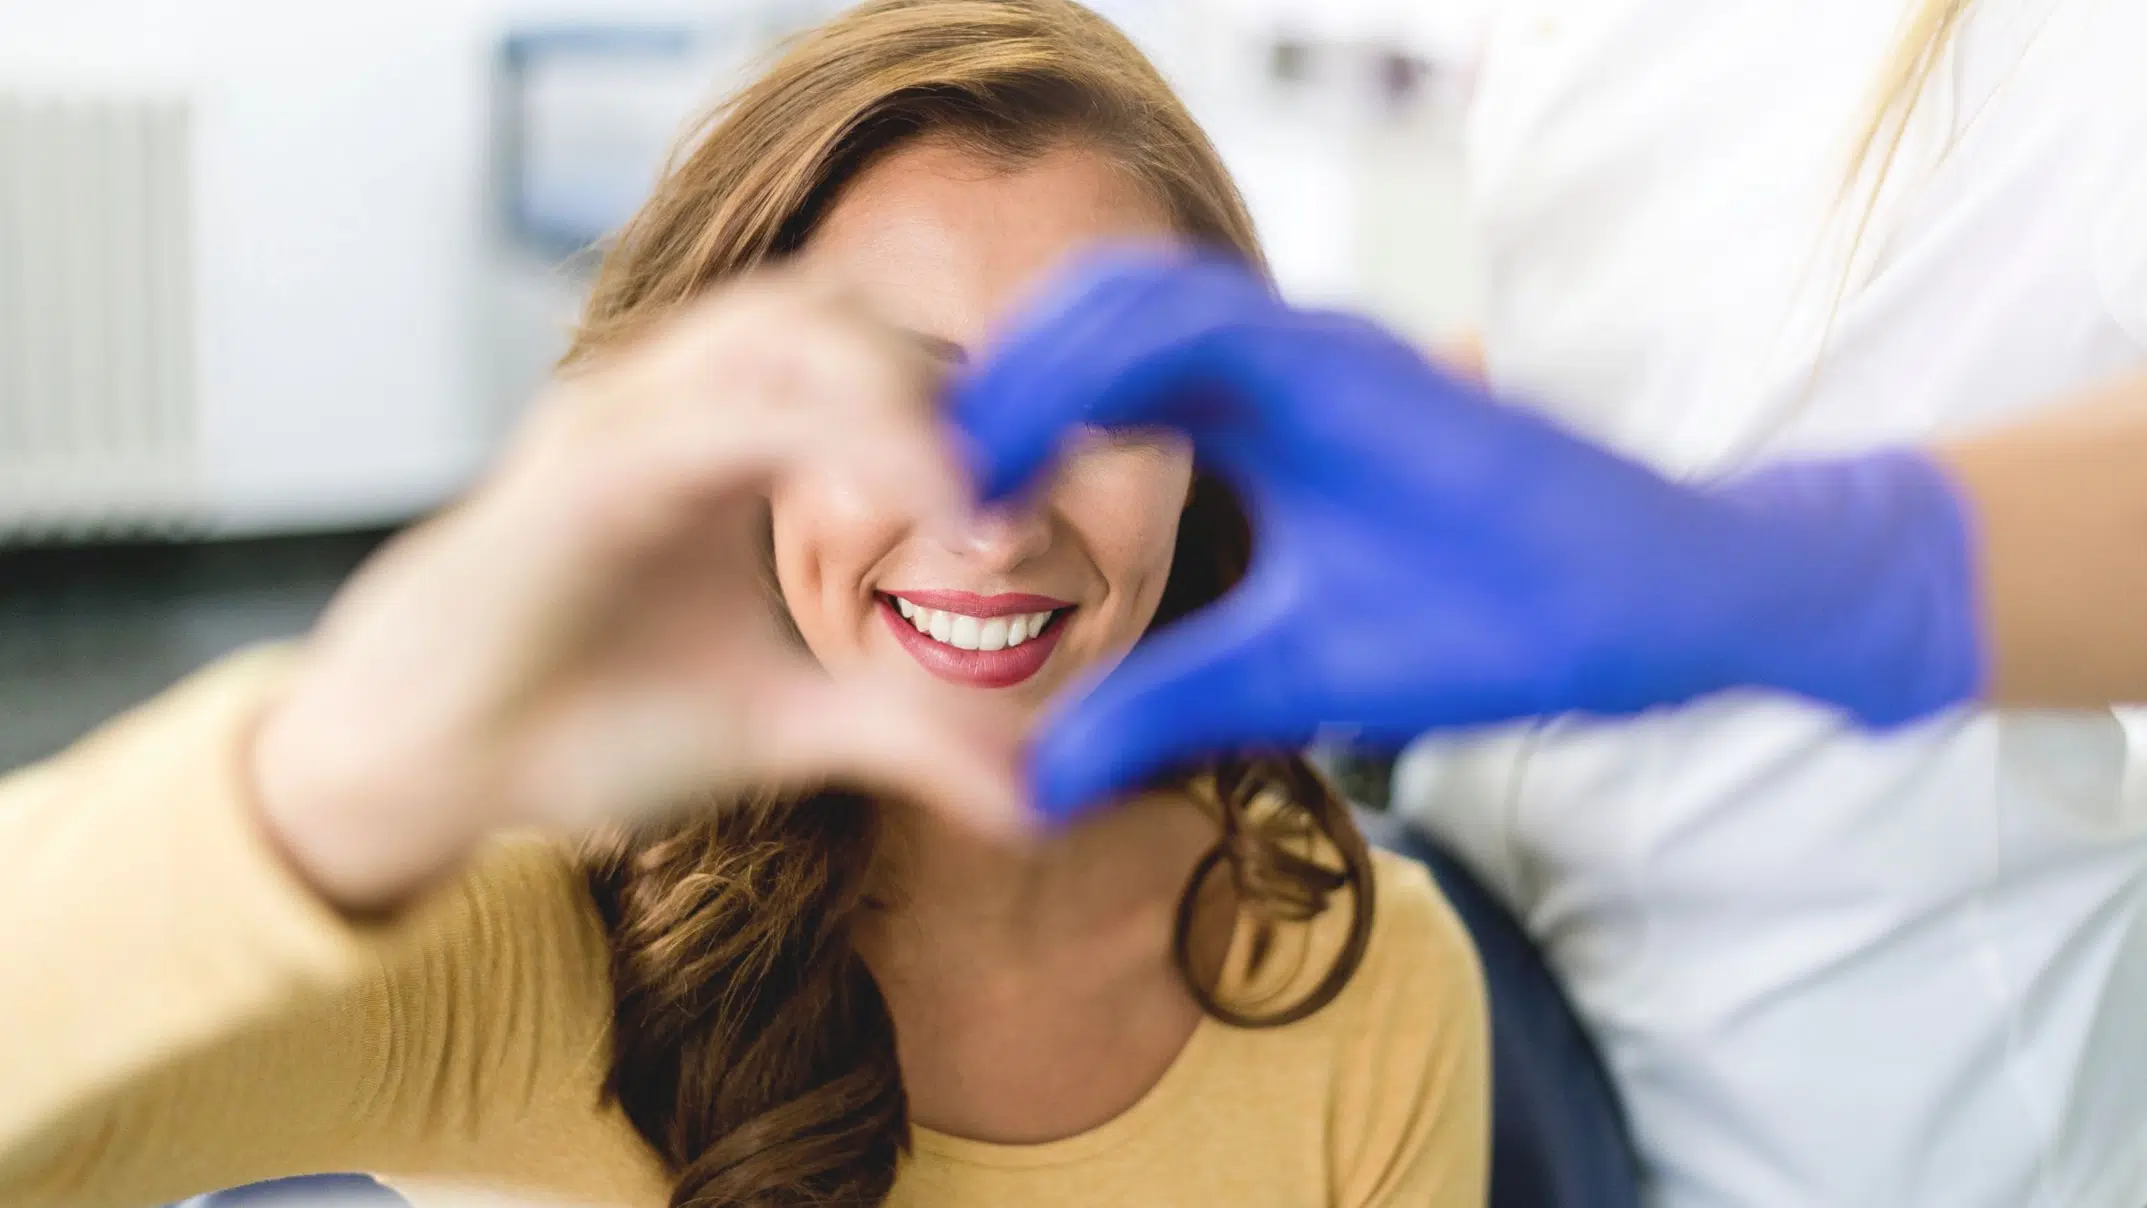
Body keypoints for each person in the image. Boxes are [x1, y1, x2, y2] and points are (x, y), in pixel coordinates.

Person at [0, 4, 1489, 1207]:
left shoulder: (1349, 968)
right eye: (900, 390)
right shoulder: (540, 939)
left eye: (1103, 403)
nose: (992, 513)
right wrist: (351, 756)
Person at [951, 1, 2147, 1205]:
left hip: (1875, 1098)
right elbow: (1670, 345)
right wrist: (1366, 441)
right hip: (1518, 985)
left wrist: (1761, 569)